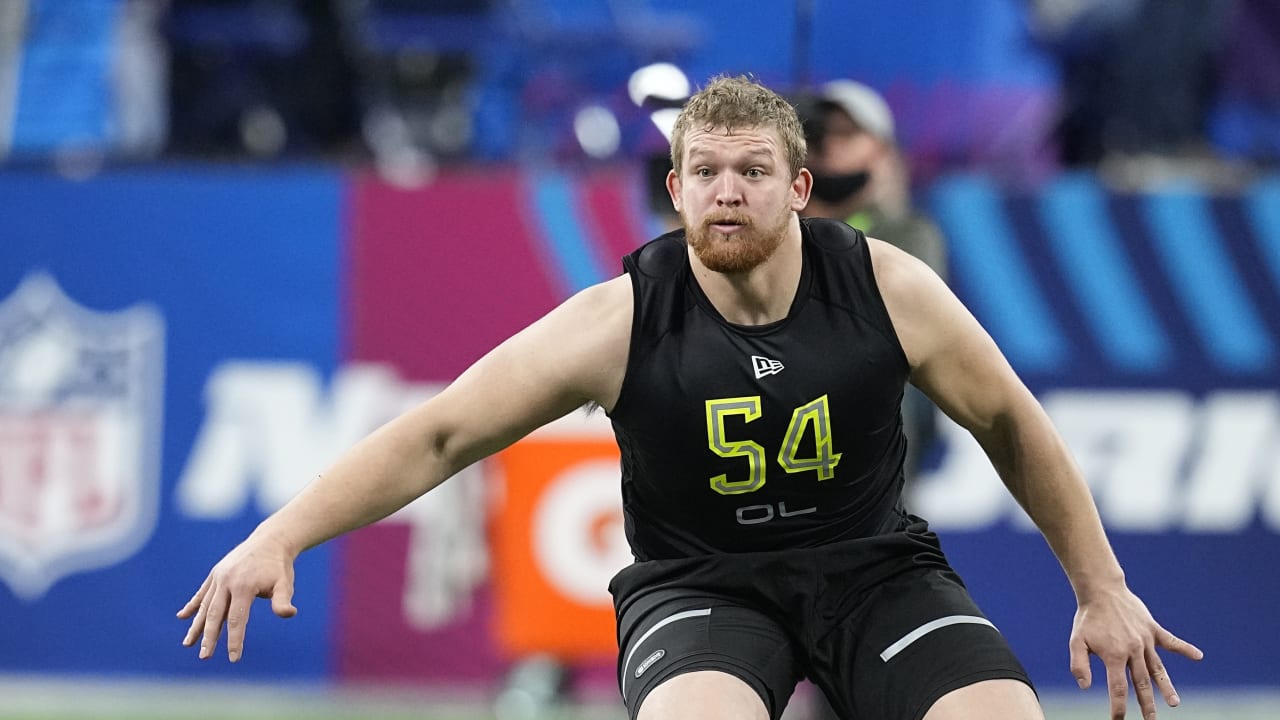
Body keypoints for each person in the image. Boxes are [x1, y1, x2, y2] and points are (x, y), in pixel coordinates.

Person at [179, 75, 1201, 720]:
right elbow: (441, 431)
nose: (725, 190)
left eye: (752, 170)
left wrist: (1099, 587)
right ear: (672, 191)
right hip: (701, 588)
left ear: (798, 189)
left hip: (873, 575)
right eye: (702, 169)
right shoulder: (619, 317)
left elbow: (1008, 422)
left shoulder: (887, 285)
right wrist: (282, 533)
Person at [795, 79, 948, 485]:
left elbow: (878, 308)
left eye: (848, 134)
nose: (830, 145)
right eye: (820, 135)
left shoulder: (909, 233)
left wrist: (820, 212)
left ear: (883, 153)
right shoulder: (781, 229)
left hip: (876, 467)